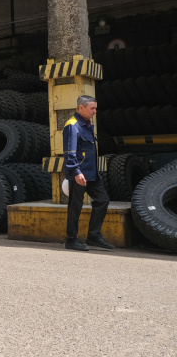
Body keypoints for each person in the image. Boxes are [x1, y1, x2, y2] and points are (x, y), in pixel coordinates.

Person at [63, 95, 114, 251]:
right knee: (75, 207)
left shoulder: (86, 125)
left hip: (91, 173)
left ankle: (93, 236)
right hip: (79, 173)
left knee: (102, 200)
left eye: (95, 108)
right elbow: (69, 153)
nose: (95, 111)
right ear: (81, 108)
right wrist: (77, 172)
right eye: (92, 108)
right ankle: (71, 240)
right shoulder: (72, 125)